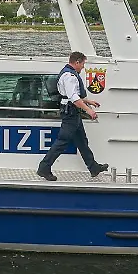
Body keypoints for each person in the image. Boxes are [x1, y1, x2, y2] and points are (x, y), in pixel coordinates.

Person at [37, 51, 108, 181]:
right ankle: (44, 167)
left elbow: (72, 95)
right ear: (77, 62)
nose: (83, 67)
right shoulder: (70, 76)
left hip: (72, 112)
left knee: (82, 141)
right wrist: (89, 110)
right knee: (62, 141)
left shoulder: (68, 73)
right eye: (82, 64)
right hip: (71, 113)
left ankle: (93, 167)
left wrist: (88, 101)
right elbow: (74, 98)